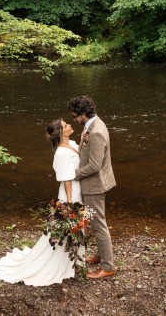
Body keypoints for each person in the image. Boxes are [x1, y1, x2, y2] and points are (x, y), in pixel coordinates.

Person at [0, 119, 84, 286]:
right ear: (60, 133)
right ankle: (59, 263)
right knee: (64, 228)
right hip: (70, 194)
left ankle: (73, 260)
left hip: (79, 189)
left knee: (76, 226)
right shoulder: (61, 153)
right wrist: (70, 203)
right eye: (66, 126)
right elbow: (66, 179)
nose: (70, 125)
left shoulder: (71, 143)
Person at [67, 96, 116, 279]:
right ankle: (100, 255)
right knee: (94, 224)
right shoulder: (92, 126)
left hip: (94, 185)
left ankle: (108, 266)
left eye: (75, 116)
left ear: (84, 113)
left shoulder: (96, 132)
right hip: (92, 183)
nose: (74, 119)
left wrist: (72, 175)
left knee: (99, 226)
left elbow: (95, 166)